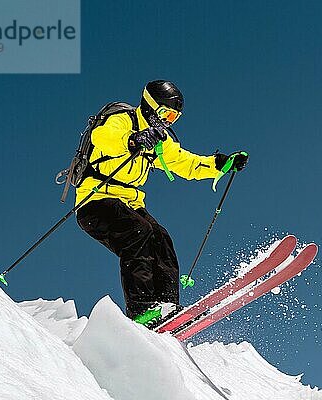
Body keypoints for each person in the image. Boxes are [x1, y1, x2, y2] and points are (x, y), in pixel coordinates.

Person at [75, 80, 248, 326]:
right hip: (95, 201)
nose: (168, 120)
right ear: (150, 106)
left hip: (128, 203)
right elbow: (103, 137)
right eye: (166, 113)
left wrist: (218, 164)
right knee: (139, 232)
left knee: (160, 238)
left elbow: (183, 162)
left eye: (174, 117)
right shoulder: (123, 120)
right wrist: (133, 140)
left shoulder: (159, 140)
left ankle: (167, 308)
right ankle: (141, 310)